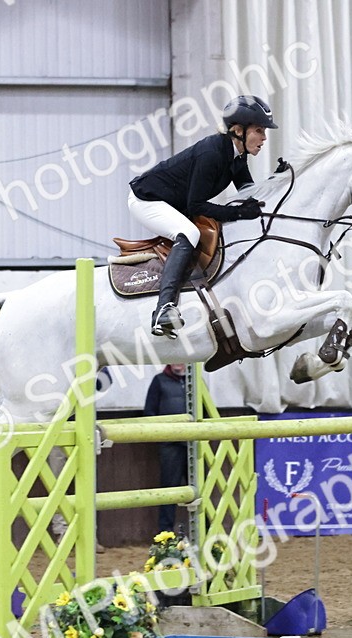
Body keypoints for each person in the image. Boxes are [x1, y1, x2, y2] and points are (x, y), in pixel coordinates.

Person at [128, 94, 278, 337]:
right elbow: (196, 205)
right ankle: (163, 309)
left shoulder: (238, 156)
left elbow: (249, 193)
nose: (264, 138)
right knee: (188, 233)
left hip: (174, 202)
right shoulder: (212, 153)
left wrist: (276, 184)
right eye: (259, 130)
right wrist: (238, 212)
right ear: (238, 130)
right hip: (146, 199)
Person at [144, 363, 188, 532]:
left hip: (193, 444)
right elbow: (149, 411)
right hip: (170, 445)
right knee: (169, 490)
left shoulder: (196, 383)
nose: (178, 362)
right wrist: (162, 436)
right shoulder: (159, 381)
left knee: (201, 489)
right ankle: (165, 533)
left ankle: (205, 530)